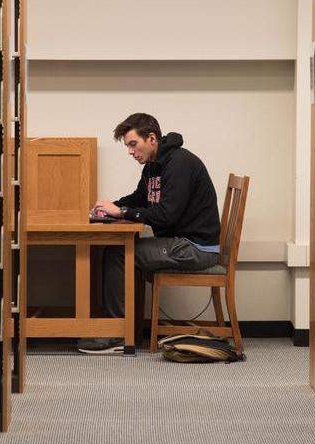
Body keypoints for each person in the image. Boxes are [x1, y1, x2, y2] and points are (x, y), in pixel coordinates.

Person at [78, 113, 221, 354]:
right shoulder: (153, 167)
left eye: (133, 144)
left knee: (119, 254)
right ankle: (126, 328)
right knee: (119, 250)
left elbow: (167, 215)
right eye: (128, 147)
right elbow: (139, 198)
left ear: (152, 138)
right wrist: (110, 208)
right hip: (180, 242)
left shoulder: (179, 164)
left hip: (195, 247)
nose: (131, 152)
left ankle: (117, 336)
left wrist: (122, 211)